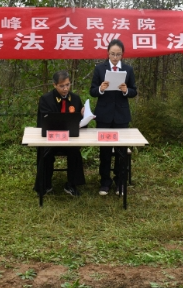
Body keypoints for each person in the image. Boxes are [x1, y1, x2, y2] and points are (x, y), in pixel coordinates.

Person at [89, 39, 138, 196]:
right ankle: (105, 182)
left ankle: (120, 182)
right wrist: (101, 89)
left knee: (121, 151)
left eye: (118, 54)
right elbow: (92, 91)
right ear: (107, 53)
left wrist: (126, 91)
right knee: (104, 151)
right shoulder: (99, 69)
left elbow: (134, 91)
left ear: (122, 54)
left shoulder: (128, 69)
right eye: (112, 54)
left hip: (121, 116)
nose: (115, 57)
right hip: (104, 116)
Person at [35, 70, 86, 197]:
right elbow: (43, 122)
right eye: (62, 86)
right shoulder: (46, 99)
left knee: (75, 152)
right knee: (45, 153)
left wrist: (84, 116)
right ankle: (45, 184)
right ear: (54, 85)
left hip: (70, 139)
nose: (65, 89)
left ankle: (71, 184)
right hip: (51, 139)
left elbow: (82, 124)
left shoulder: (75, 99)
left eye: (67, 85)